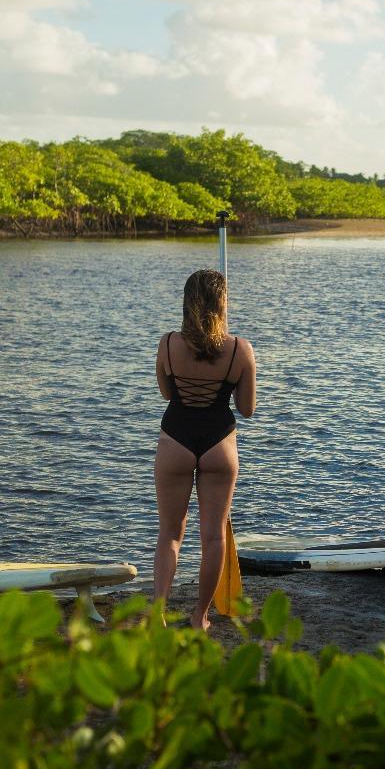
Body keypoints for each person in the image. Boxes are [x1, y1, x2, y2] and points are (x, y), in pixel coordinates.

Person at [154, 269, 256, 629]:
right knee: (213, 536)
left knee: (170, 533)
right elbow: (246, 409)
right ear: (222, 303)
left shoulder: (168, 344)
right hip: (219, 445)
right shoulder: (239, 350)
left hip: (175, 440)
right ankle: (200, 616)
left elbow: (168, 394)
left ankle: (158, 614)